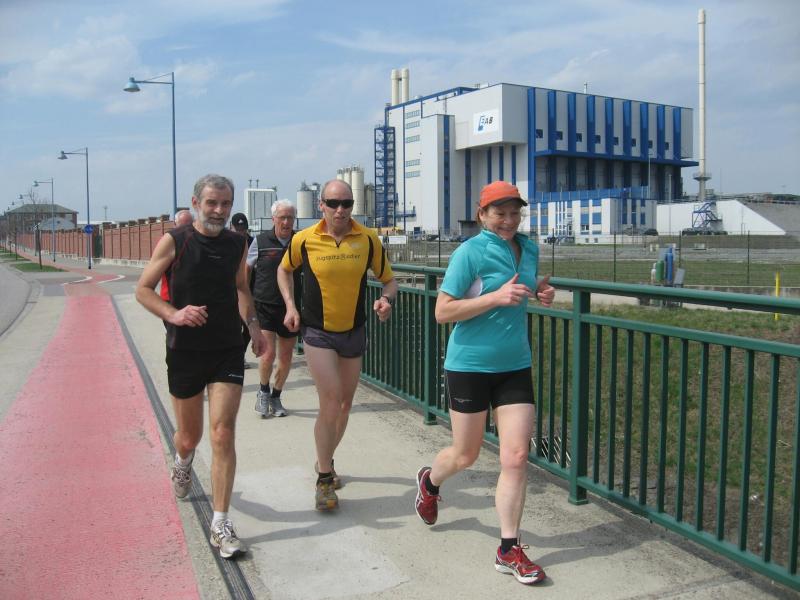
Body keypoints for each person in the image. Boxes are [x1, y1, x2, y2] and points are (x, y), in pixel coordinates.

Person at [414, 180, 555, 585]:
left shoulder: (528, 248)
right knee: (466, 454)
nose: (508, 220)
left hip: (515, 365)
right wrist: (495, 297)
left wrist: (541, 290)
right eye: (499, 213)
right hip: (470, 366)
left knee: (516, 456)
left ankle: (509, 548)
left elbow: (525, 283)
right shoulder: (470, 252)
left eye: (514, 213)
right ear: (482, 215)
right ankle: (430, 482)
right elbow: (443, 311)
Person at [136, 174, 265, 559]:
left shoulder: (238, 243)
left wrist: (253, 326)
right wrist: (173, 314)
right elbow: (142, 289)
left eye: (225, 204)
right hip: (186, 350)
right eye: (212, 203)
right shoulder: (176, 240)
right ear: (196, 203)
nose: (219, 211)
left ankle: (220, 523)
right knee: (189, 437)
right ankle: (183, 460)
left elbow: (241, 287)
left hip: (227, 347)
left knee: (223, 432)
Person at [277, 179, 397, 511]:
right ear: (321, 205)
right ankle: (324, 480)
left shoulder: (368, 239)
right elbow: (283, 271)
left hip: (353, 331)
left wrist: (386, 301)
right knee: (330, 401)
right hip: (318, 332)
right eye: (333, 203)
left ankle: (325, 460)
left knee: (344, 404)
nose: (340, 210)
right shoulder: (304, 239)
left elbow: (389, 281)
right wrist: (290, 306)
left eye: (346, 203)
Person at [246, 200, 301, 418]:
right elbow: (246, 273)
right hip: (265, 306)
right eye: (282, 217)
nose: (286, 222)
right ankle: (263, 391)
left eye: (290, 218)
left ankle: (276, 396)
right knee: (267, 355)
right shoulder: (260, 242)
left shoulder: (300, 241)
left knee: (285, 358)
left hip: (291, 309)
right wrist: (246, 303)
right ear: (273, 219)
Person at [230, 212, 255, 369]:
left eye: (243, 229)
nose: (241, 232)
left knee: (247, 326)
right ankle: (232, 356)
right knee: (233, 326)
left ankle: (240, 355)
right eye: (238, 229)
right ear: (231, 227)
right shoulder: (225, 243)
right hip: (231, 292)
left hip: (250, 292)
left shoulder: (253, 243)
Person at [159, 209, 194, 303]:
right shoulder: (167, 241)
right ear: (174, 225)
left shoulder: (197, 241)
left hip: (192, 296)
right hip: (170, 296)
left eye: (189, 226)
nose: (185, 230)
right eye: (182, 226)